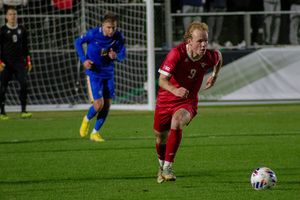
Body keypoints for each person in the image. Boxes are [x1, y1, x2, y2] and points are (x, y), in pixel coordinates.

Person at [154, 21, 222, 183]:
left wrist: (214, 76)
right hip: (165, 100)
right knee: (160, 138)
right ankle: (161, 165)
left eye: (205, 40)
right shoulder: (176, 53)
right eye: (200, 41)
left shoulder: (208, 56)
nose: (204, 44)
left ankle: (168, 167)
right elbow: (162, 80)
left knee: (177, 121)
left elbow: (218, 57)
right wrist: (175, 90)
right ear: (189, 41)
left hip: (188, 102)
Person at [75, 13, 126, 142]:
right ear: (102, 26)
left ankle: (95, 133)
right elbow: (78, 42)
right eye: (108, 27)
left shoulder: (118, 36)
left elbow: (123, 54)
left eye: (113, 28)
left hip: (108, 74)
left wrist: (117, 56)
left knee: (107, 105)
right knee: (98, 106)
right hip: (94, 73)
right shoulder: (93, 34)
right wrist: (84, 60)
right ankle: (86, 120)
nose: (111, 31)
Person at [0, 7, 32, 120]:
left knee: (24, 84)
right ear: (6, 16)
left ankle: (23, 110)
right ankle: (2, 112)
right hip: (6, 63)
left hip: (19, 62)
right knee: (2, 87)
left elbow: (25, 46)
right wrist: (0, 61)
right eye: (10, 14)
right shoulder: (2, 30)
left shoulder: (22, 30)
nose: (13, 16)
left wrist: (27, 59)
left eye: (14, 14)